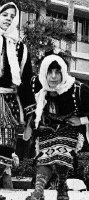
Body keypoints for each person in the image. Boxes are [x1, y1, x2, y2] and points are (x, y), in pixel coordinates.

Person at [24, 54, 89, 200]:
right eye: (49, 72)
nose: (53, 77)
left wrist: (85, 119)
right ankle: (38, 192)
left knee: (62, 155)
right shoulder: (36, 83)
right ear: (44, 71)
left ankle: (61, 186)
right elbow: (28, 101)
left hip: (68, 129)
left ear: (63, 72)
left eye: (57, 72)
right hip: (46, 129)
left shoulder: (76, 88)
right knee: (43, 158)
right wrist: (30, 121)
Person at [0, 2, 33, 199]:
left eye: (12, 16)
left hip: (10, 103)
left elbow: (25, 82)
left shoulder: (20, 47)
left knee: (4, 151)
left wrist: (30, 112)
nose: (9, 18)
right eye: (5, 14)